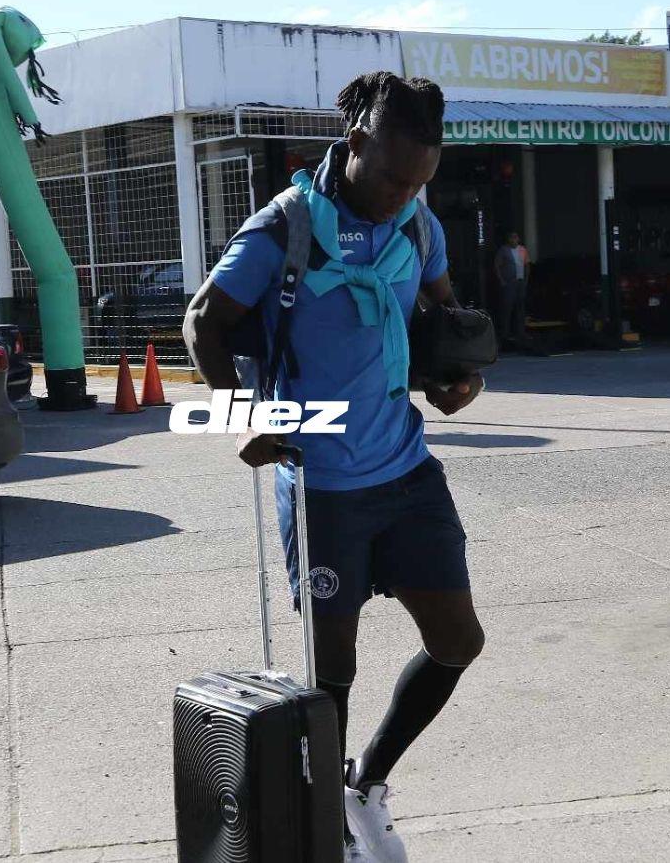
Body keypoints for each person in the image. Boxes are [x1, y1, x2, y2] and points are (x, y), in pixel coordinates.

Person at [183, 71, 485, 863]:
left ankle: (366, 787)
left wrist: (459, 374)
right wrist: (237, 416)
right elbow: (203, 323)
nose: (402, 194)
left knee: (458, 641)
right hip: (323, 489)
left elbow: (440, 316)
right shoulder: (284, 228)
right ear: (354, 145)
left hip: (408, 473)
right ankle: (323, 827)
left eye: (420, 181)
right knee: (332, 679)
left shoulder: (417, 224)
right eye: (392, 176)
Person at [494, 230, 530, 348]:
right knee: (507, 308)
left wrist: (526, 280)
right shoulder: (503, 250)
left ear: (518, 239)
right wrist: (501, 280)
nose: (513, 239)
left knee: (520, 308)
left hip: (520, 282)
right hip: (509, 282)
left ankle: (521, 333)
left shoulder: (522, 250)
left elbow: (527, 265)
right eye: (511, 237)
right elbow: (497, 266)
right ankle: (505, 334)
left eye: (515, 237)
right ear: (508, 239)